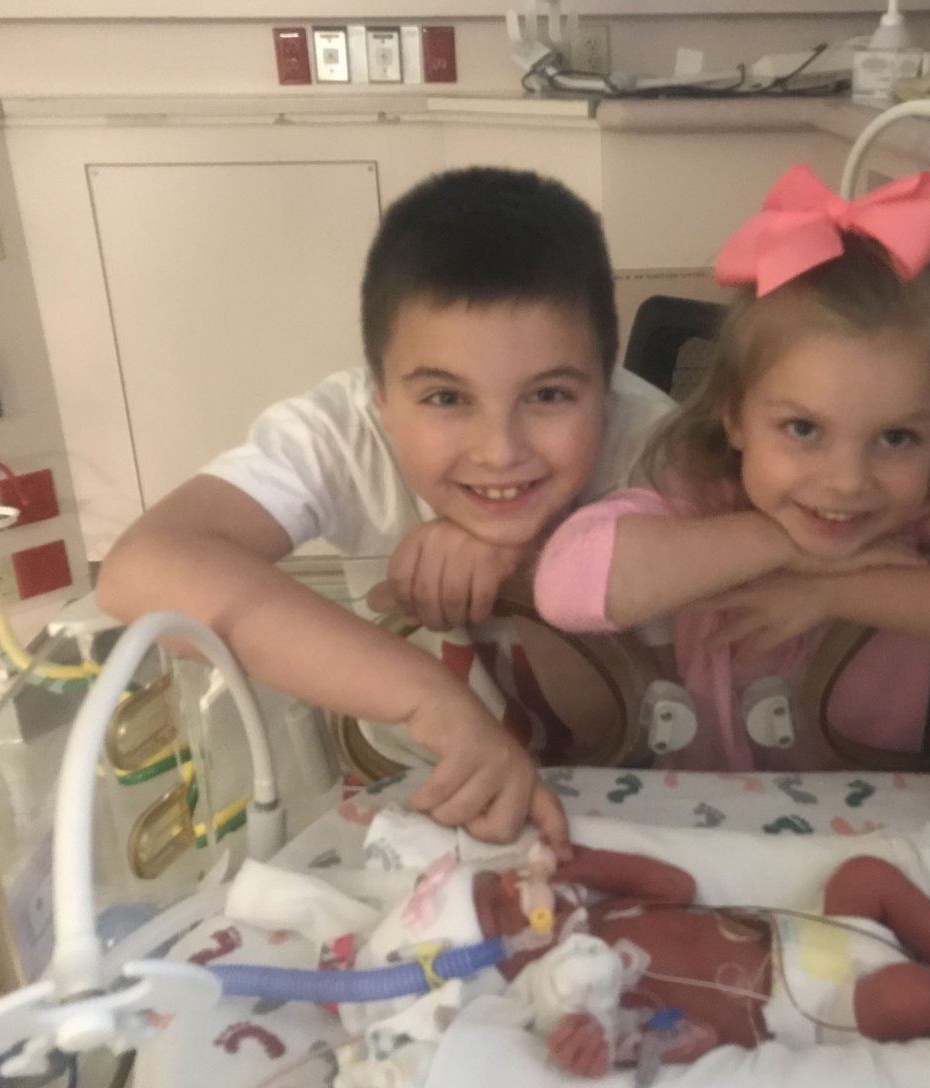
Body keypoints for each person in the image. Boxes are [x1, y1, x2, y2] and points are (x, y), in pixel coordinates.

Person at [97, 167, 672, 846]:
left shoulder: (654, 441)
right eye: (446, 398)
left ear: (606, 385)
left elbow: (761, 598)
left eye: (548, 395)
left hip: (634, 803)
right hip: (416, 795)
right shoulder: (341, 431)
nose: (499, 452)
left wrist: (531, 551)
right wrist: (428, 698)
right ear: (379, 396)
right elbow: (140, 570)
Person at [534, 164, 930, 770]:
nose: (847, 481)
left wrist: (834, 593)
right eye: (803, 429)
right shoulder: (702, 481)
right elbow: (565, 586)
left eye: (897, 437)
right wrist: (784, 544)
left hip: (871, 821)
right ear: (735, 415)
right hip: (705, 815)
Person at [472, 844, 930, 1076]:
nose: (512, 885)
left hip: (803, 936)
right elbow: (677, 1039)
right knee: (912, 995)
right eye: (501, 909)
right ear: (513, 964)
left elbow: (676, 884)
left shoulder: (610, 917)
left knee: (864, 875)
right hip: (808, 1007)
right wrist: (612, 1040)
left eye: (499, 881)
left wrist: (588, 866)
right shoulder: (581, 996)